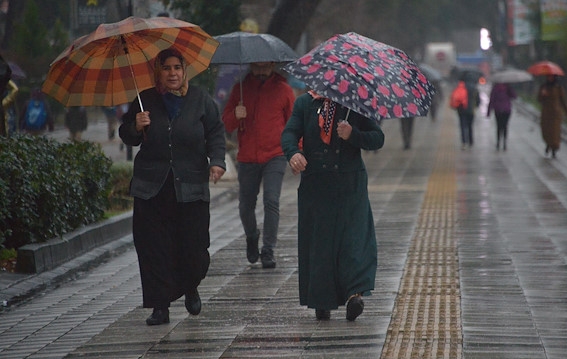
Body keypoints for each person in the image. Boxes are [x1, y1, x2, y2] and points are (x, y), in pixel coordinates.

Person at [119, 48, 227, 326]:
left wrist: (217, 162)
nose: (172, 73)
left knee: (195, 250)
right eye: (166, 68)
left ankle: (190, 285)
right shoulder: (145, 100)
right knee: (154, 248)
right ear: (159, 72)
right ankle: (160, 306)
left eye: (177, 68)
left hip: (190, 187)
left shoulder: (201, 99)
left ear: (184, 70)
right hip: (151, 188)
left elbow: (215, 132)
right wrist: (135, 125)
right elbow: (127, 135)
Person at [280, 91, 384, 322]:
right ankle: (321, 299)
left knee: (353, 241)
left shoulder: (355, 102)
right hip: (316, 184)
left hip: (350, 185)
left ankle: (354, 295)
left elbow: (377, 138)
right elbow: (289, 133)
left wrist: (352, 134)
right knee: (320, 243)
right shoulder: (305, 103)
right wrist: (293, 153)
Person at [222, 62, 295, 269]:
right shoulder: (241, 90)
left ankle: (268, 249)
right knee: (246, 205)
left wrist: (296, 152)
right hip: (247, 157)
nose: (261, 71)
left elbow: (294, 123)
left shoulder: (284, 90)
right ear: (251, 66)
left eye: (266, 67)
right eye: (257, 67)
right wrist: (236, 115)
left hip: (275, 154)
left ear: (273, 65)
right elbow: (226, 123)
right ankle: (252, 236)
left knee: (271, 200)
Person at [537, 75, 567, 158]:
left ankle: (554, 148)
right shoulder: (543, 87)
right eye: (548, 77)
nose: (549, 78)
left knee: (555, 131)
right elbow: (539, 99)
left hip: (556, 113)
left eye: (551, 77)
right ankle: (548, 144)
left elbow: (563, 100)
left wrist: (566, 111)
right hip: (546, 113)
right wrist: (543, 94)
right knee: (546, 129)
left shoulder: (558, 88)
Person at [450, 79, 479, 149]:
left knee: (463, 126)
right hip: (471, 110)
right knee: (470, 126)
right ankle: (470, 141)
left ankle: (464, 142)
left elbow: (455, 97)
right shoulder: (474, 88)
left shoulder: (460, 86)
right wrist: (475, 106)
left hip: (461, 110)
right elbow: (478, 101)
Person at [486, 82, 517, 151]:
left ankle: (498, 142)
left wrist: (488, 111)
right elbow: (514, 96)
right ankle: (504, 143)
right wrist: (510, 89)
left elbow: (492, 100)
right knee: (505, 126)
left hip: (498, 110)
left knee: (499, 126)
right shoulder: (508, 88)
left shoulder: (495, 88)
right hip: (506, 110)